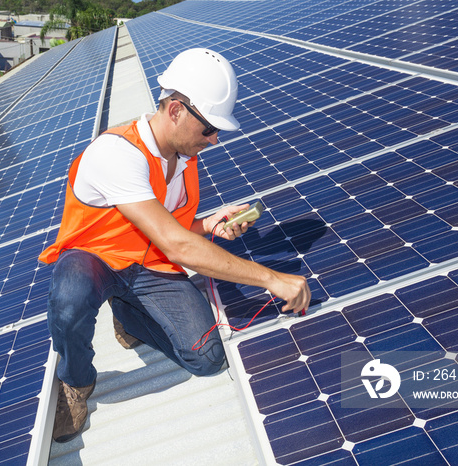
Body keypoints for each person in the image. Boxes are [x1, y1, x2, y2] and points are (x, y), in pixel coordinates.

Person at [39, 48, 311, 443]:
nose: (214, 140)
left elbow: (173, 227)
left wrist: (209, 225)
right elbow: (177, 245)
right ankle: (77, 381)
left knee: (207, 359)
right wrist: (271, 279)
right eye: (209, 129)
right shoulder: (117, 154)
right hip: (94, 260)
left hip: (149, 266)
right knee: (70, 298)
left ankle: (127, 313)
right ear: (176, 110)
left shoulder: (183, 159)